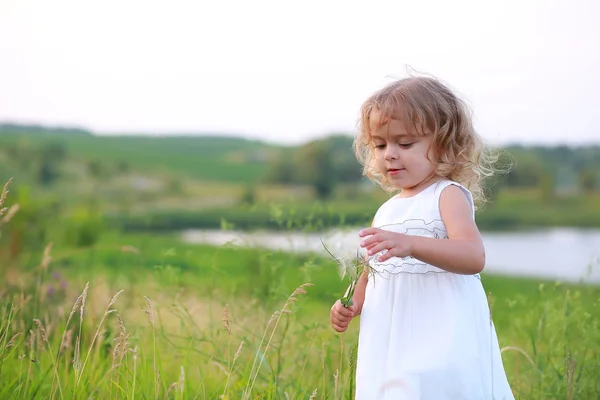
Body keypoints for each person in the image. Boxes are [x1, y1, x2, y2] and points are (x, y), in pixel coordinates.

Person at [329, 74, 515, 399]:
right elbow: (370, 272)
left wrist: (412, 244)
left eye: (405, 143)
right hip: (390, 338)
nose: (390, 154)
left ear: (443, 144)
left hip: (440, 334)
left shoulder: (447, 195)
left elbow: (473, 256)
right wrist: (352, 303)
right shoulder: (387, 210)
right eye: (380, 144)